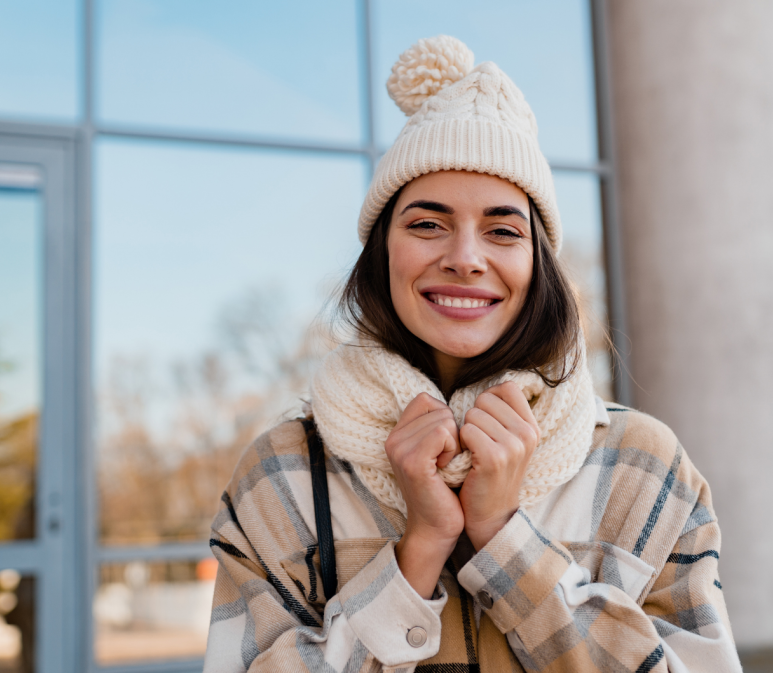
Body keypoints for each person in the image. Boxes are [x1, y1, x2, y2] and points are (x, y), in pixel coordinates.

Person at [203, 35, 741, 673]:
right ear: (382, 253)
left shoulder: (642, 467)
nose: (464, 258)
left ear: (538, 265)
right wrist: (419, 552)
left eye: (503, 230)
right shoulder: (282, 474)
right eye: (427, 224)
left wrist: (506, 541)